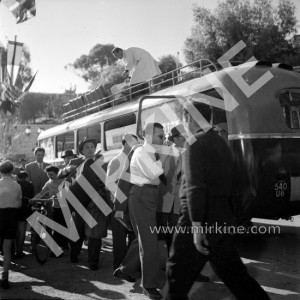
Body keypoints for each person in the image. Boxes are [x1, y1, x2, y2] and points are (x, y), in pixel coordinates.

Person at [165, 104, 270, 300]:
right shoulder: (221, 142)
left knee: (177, 270)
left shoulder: (194, 143)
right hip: (220, 216)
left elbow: (194, 186)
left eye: (184, 120)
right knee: (235, 274)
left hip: (196, 218)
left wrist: (196, 224)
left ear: (189, 119)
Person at [124, 122, 165, 299]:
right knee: (149, 242)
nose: (163, 140)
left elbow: (157, 178)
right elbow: (155, 175)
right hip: (142, 194)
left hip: (146, 195)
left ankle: (126, 269)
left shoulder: (148, 152)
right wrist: (161, 160)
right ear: (148, 136)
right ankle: (149, 286)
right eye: (160, 136)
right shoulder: (142, 152)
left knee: (146, 240)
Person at [61, 137, 108, 271]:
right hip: (78, 201)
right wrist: (67, 170)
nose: (90, 149)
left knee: (95, 232)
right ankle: (74, 253)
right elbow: (60, 174)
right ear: (82, 150)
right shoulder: (75, 162)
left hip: (96, 201)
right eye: (87, 147)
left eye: (92, 147)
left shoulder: (102, 163)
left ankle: (93, 261)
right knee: (77, 229)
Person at [106, 134, 138, 270]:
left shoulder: (135, 159)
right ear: (125, 144)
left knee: (132, 236)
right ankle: (118, 266)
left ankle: (129, 267)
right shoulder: (116, 161)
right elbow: (109, 183)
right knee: (119, 238)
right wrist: (123, 197)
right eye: (133, 143)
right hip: (119, 205)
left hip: (131, 205)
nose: (136, 146)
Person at [33, 165, 68, 254]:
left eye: (52, 175)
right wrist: (34, 198)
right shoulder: (48, 183)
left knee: (64, 226)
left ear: (57, 174)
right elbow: (42, 192)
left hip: (65, 207)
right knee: (57, 227)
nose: (50, 176)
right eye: (48, 175)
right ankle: (59, 246)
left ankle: (63, 244)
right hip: (55, 207)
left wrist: (56, 196)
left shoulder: (64, 181)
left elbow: (68, 193)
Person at [0, 160, 22, 289]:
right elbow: (19, 204)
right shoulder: (17, 185)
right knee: (7, 248)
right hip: (11, 216)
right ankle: (5, 277)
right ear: (12, 171)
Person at [15, 171, 34, 258]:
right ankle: (19, 250)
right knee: (22, 230)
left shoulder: (15, 184)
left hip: (15, 208)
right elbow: (32, 197)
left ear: (18, 177)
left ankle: (15, 249)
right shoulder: (30, 185)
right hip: (25, 208)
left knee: (16, 230)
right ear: (26, 177)